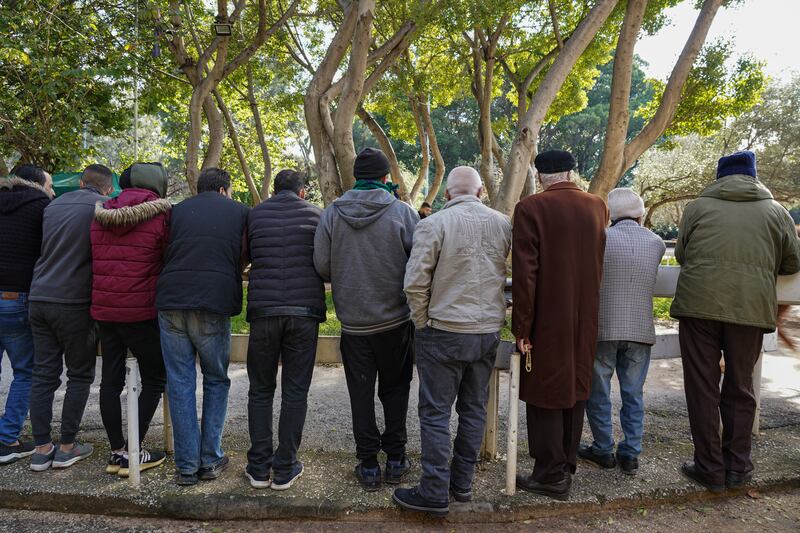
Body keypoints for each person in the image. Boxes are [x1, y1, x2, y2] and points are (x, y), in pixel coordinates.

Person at [670, 151, 800, 492]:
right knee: (741, 387)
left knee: (702, 388)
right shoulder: (776, 212)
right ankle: (738, 467)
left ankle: (709, 468)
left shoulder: (697, 207)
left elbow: (682, 254)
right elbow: (791, 263)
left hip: (698, 307)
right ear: (754, 176)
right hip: (750, 309)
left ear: (719, 176)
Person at [393, 167, 511, 516]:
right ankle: (461, 483)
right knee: (473, 408)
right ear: (479, 193)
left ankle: (433, 490)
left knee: (435, 412)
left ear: (447, 195)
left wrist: (422, 323)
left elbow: (415, 283)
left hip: (444, 329)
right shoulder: (503, 224)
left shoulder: (433, 224)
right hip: (486, 330)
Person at [314, 147, 418, 491]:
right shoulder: (403, 212)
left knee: (360, 394)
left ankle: (369, 463)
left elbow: (322, 265)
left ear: (355, 178)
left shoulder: (332, 214)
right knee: (396, 390)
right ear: (386, 178)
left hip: (353, 323)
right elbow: (417, 265)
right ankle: (397, 458)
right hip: (395, 322)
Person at [512, 150, 607, 501]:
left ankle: (550, 474)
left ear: (540, 177)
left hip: (547, 319)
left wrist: (522, 329)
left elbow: (526, 275)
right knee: (575, 391)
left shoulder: (530, 208)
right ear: (572, 172)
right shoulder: (597, 206)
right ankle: (566, 466)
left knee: (545, 395)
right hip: (586, 318)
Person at [156, 167, 250, 486]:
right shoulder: (240, 212)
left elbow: (164, 248)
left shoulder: (176, 210)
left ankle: (185, 466)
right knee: (215, 379)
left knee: (179, 381)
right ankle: (209, 459)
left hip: (170, 300)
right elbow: (244, 253)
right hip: (212, 300)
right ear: (225, 190)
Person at [28, 164, 114, 471]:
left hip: (39, 297)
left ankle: (41, 448)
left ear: (80, 182)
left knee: (43, 374)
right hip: (74, 300)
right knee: (79, 374)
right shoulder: (102, 207)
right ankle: (66, 446)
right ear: (107, 188)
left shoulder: (53, 205)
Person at [244, 169, 325, 491]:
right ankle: (286, 465)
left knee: (260, 390)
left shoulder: (254, 215)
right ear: (303, 192)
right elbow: (324, 262)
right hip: (304, 313)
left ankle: (259, 467)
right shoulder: (318, 216)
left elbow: (245, 255)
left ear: (274, 190)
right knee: (295, 391)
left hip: (263, 312)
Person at [91, 162, 171, 477]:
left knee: (109, 382)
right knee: (155, 378)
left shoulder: (101, 213)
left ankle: (117, 452)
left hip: (105, 310)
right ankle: (133, 452)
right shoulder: (161, 215)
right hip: (141, 311)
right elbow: (167, 256)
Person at [578, 188, 666, 476]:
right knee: (633, 393)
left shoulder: (599, 238)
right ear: (640, 213)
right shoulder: (656, 243)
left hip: (603, 327)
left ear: (609, 214)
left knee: (599, 391)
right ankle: (631, 452)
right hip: (640, 327)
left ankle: (603, 448)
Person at [0, 165, 53, 464]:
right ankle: (7, 438)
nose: (53, 191)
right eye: (49, 185)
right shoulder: (40, 207)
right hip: (16, 295)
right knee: (26, 371)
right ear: (35, 184)